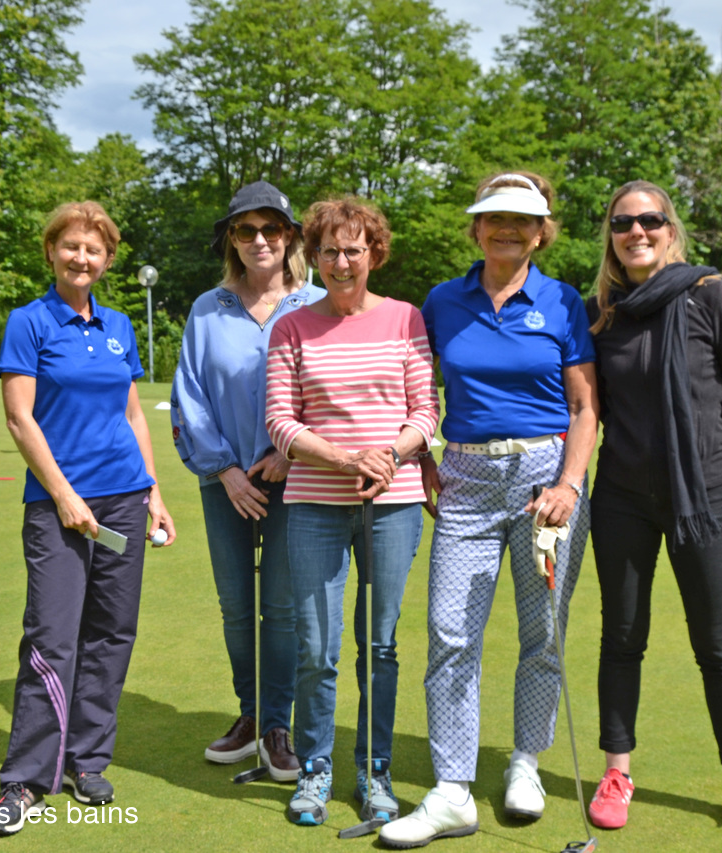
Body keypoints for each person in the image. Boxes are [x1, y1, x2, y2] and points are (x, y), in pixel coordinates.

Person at [380, 172, 598, 848]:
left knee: (543, 633)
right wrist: (423, 457)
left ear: (541, 232)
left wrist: (569, 484)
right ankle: (452, 789)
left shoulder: (562, 301)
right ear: (476, 227)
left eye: (523, 219)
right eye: (495, 217)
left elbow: (584, 407)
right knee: (451, 633)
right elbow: (415, 388)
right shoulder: (443, 301)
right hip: (467, 477)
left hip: (545, 479)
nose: (508, 228)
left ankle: (525, 762)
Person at [582, 180, 722, 841]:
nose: (637, 231)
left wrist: (702, 456)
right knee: (621, 637)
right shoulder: (599, 311)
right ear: (610, 235)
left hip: (703, 498)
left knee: (718, 646)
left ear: (670, 228)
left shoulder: (709, 293)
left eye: (650, 219)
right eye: (623, 222)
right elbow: (589, 403)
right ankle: (617, 772)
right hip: (621, 499)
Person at [0, 201, 176, 836]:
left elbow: (133, 414)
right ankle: (25, 780)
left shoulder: (119, 325)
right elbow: (20, 419)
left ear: (108, 259)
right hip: (58, 506)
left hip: (125, 498)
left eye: (94, 249)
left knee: (112, 633)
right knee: (51, 638)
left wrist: (154, 492)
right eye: (70, 246)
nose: (81, 258)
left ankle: (87, 760)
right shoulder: (29, 322)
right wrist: (64, 495)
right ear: (51, 251)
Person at [265, 197, 440, 827]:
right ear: (313, 256)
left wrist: (388, 455)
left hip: (392, 505)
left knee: (380, 645)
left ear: (375, 254)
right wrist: (346, 460)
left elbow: (425, 411)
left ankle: (374, 770)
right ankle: (315, 768)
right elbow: (280, 422)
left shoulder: (406, 318)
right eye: (330, 251)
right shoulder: (291, 327)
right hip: (315, 504)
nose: (342, 263)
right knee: (317, 648)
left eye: (354, 250)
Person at [170, 181, 325, 782]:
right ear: (231, 240)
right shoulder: (208, 309)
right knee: (237, 607)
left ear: (289, 236)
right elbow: (189, 396)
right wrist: (226, 470)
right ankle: (251, 714)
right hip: (224, 481)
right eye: (245, 230)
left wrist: (289, 453)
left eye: (271, 228)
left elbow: (329, 391)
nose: (260, 240)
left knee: (281, 610)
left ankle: (277, 726)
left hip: (297, 479)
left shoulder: (316, 303)